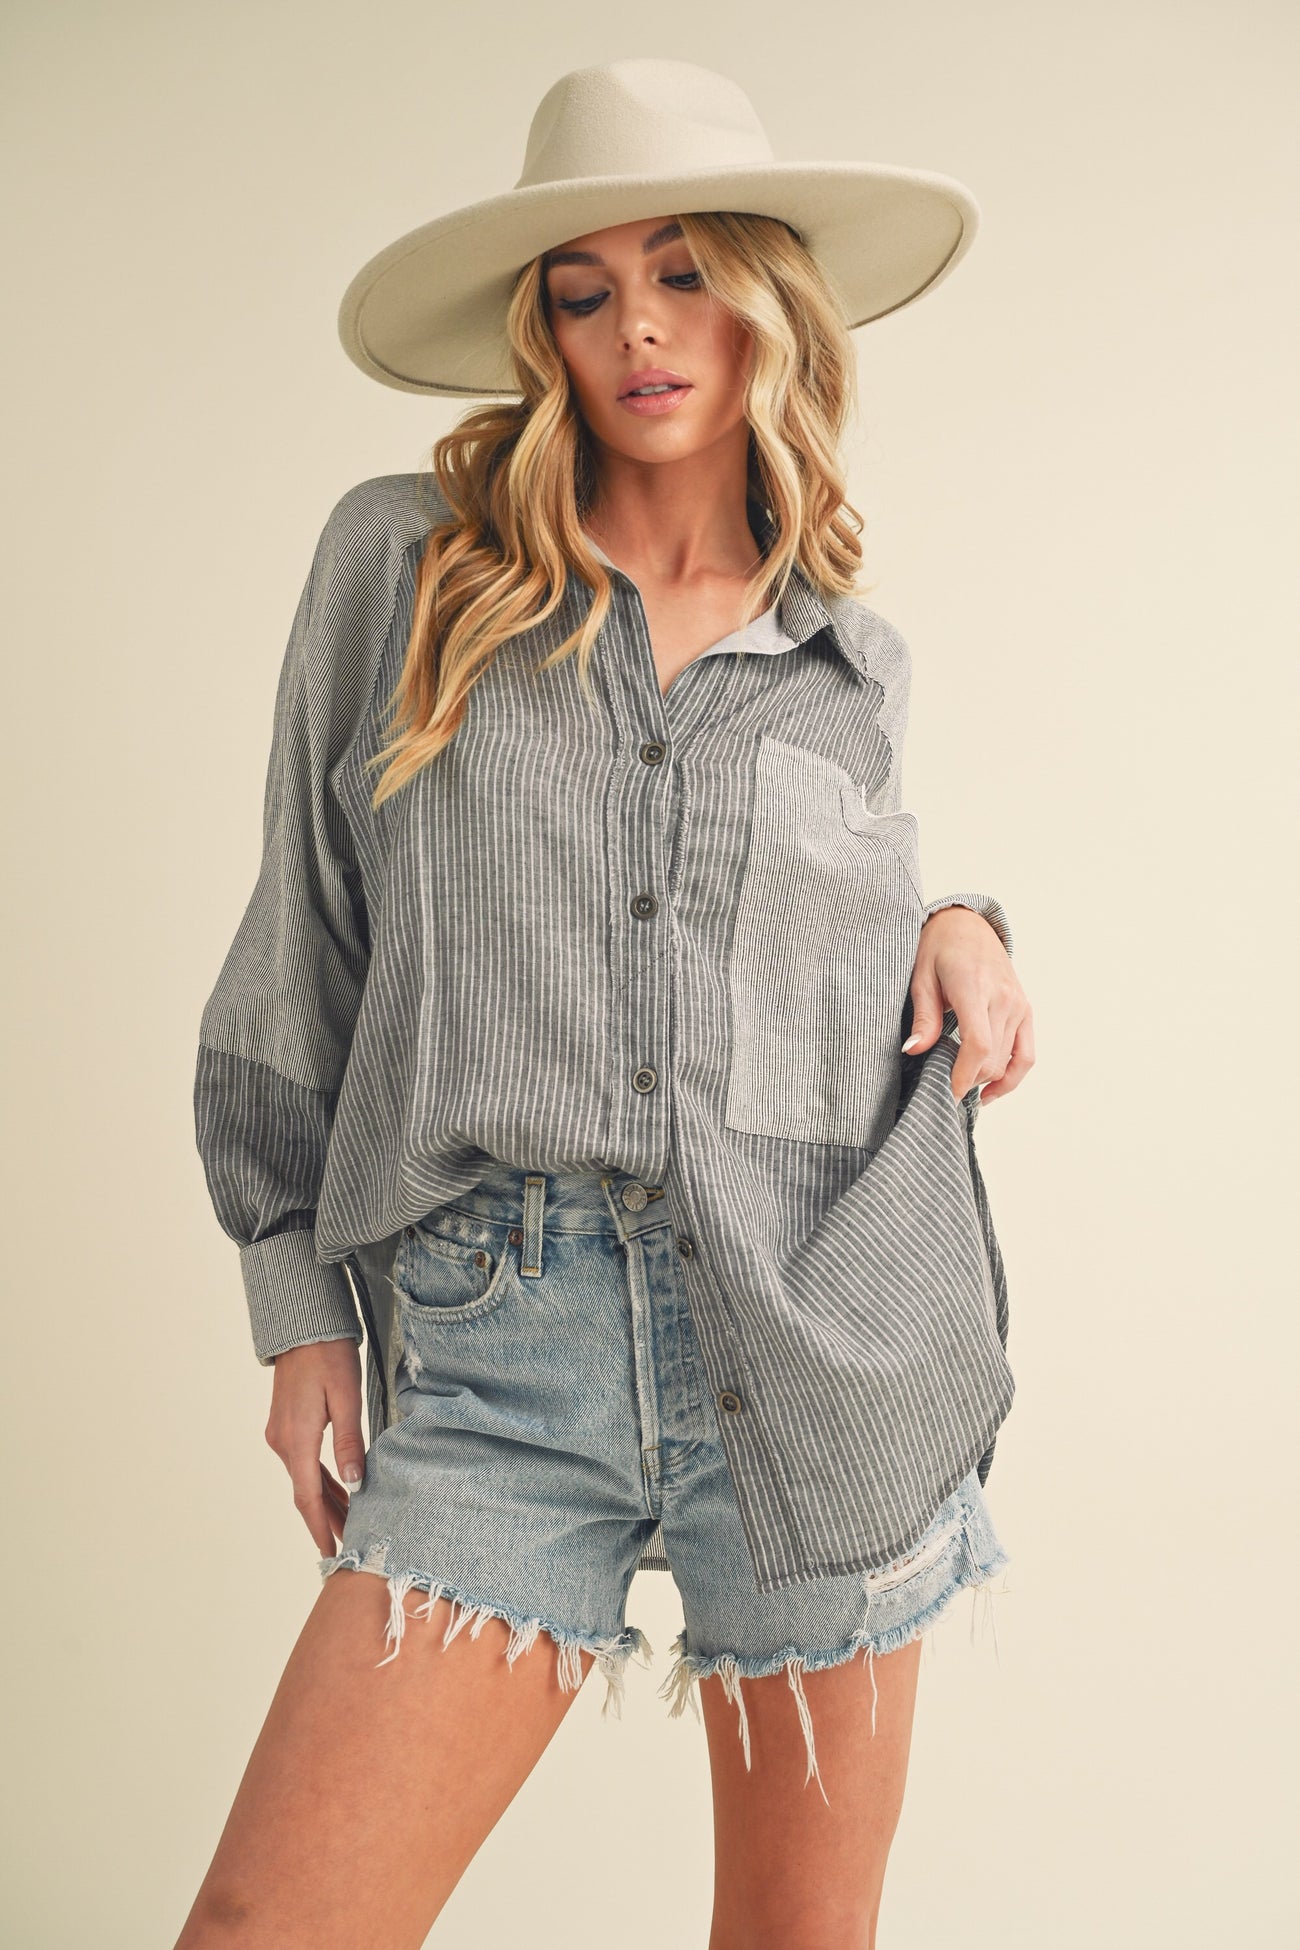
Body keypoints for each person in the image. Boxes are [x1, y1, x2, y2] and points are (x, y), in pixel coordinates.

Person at [178, 57, 1034, 1950]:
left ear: (767, 302)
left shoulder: (846, 660)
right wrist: (294, 1301)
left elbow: (800, 943)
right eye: (586, 291)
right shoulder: (404, 565)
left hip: (810, 1338)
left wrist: (956, 915)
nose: (638, 327)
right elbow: (302, 932)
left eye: (684, 273)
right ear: (543, 332)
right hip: (499, 1345)